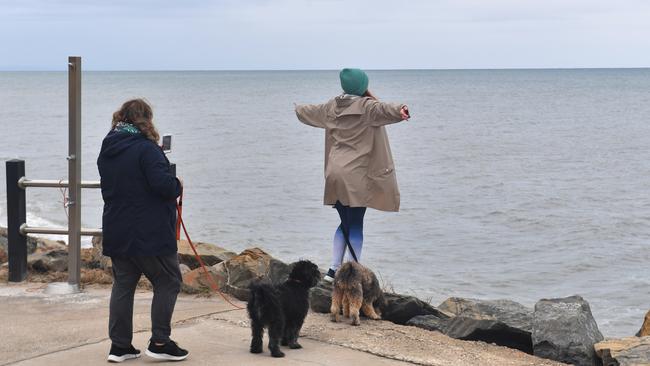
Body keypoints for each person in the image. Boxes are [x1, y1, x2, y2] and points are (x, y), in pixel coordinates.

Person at [295, 68, 410, 282]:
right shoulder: (367, 107)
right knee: (356, 224)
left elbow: (309, 111)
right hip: (355, 177)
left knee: (344, 222)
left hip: (334, 173)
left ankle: (332, 270)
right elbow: (386, 109)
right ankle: (352, 271)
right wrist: (401, 109)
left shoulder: (331, 106)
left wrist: (297, 108)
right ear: (362, 85)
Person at [97, 99, 189, 362]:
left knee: (123, 284)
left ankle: (120, 346)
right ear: (146, 120)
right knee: (168, 280)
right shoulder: (147, 149)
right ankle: (160, 341)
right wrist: (177, 183)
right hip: (149, 231)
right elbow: (163, 186)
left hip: (117, 227)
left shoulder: (109, 146)